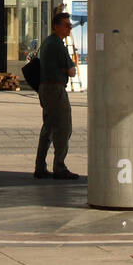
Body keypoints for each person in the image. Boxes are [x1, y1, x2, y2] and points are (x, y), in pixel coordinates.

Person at [33, 12, 79, 180]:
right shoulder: (58, 45)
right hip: (55, 89)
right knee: (63, 127)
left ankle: (40, 166)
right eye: (66, 25)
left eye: (70, 25)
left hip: (45, 88)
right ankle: (59, 166)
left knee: (49, 127)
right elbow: (72, 71)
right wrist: (66, 69)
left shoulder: (47, 42)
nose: (69, 28)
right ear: (56, 26)